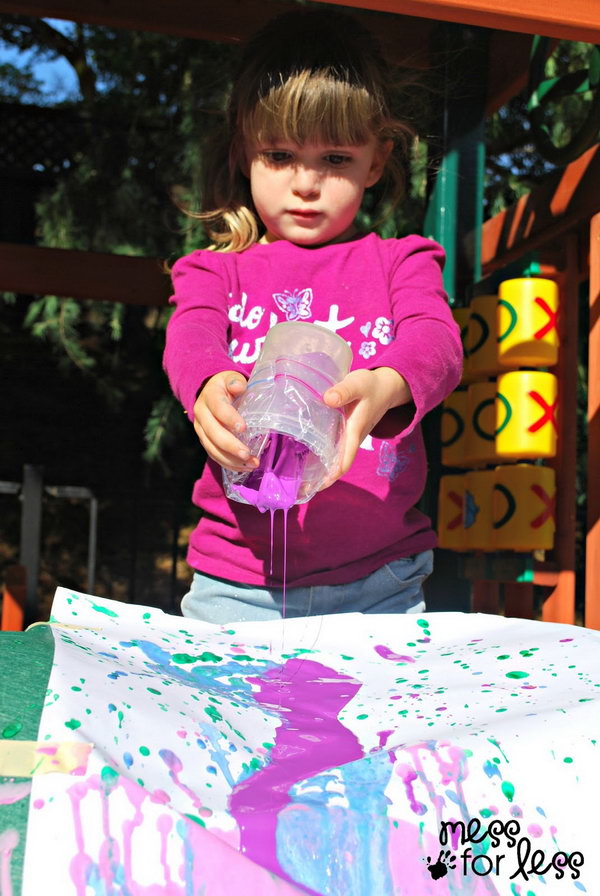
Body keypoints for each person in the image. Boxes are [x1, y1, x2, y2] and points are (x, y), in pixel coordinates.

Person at [163, 8, 463, 623]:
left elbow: (437, 340)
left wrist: (391, 382)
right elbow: (189, 336)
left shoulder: (400, 261)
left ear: (376, 163)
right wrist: (209, 385)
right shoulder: (217, 270)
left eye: (334, 159)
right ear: (245, 152)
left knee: (376, 722)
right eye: (279, 155)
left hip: (379, 581)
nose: (305, 184)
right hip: (236, 579)